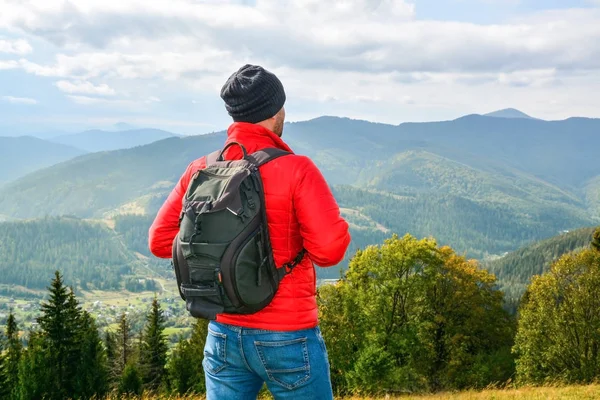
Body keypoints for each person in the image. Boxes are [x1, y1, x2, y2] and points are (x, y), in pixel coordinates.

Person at [148, 64, 351, 399]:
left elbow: (158, 241)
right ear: (277, 110)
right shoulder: (297, 168)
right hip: (288, 335)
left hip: (223, 331)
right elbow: (330, 251)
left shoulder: (202, 168)